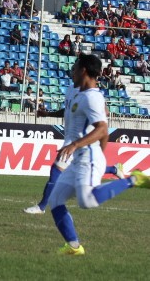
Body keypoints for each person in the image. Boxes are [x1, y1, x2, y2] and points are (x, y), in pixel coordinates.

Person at [44, 54, 150, 255]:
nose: (72, 71)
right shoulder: (78, 93)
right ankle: (74, 246)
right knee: (56, 199)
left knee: (87, 201)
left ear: (83, 70)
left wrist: (80, 147)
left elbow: (102, 129)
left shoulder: (93, 97)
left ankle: (134, 179)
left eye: (75, 67)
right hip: (79, 158)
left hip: (87, 157)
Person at [24, 82, 124, 214]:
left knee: (56, 171)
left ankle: (41, 207)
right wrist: (48, 114)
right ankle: (113, 169)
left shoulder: (90, 92)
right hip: (70, 138)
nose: (73, 70)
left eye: (76, 67)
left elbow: (104, 112)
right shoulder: (71, 88)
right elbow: (67, 111)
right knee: (76, 169)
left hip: (80, 139)